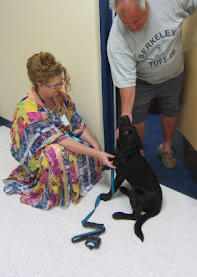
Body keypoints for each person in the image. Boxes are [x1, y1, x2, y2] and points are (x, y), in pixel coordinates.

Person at [107, 0, 197, 169]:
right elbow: (126, 81)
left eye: (136, 21)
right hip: (142, 81)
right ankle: (140, 154)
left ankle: (166, 147)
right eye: (125, 22)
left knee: (171, 111)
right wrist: (125, 117)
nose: (131, 27)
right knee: (136, 119)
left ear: (145, 4)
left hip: (173, 74)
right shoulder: (118, 39)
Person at [3, 52, 115, 209]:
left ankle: (73, 181)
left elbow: (75, 123)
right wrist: (97, 154)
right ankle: (54, 191)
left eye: (60, 83)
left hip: (58, 136)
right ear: (40, 84)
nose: (60, 88)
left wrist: (96, 145)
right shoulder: (30, 110)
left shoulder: (60, 96)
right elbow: (62, 140)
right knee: (56, 153)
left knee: (85, 145)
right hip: (34, 153)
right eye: (55, 86)